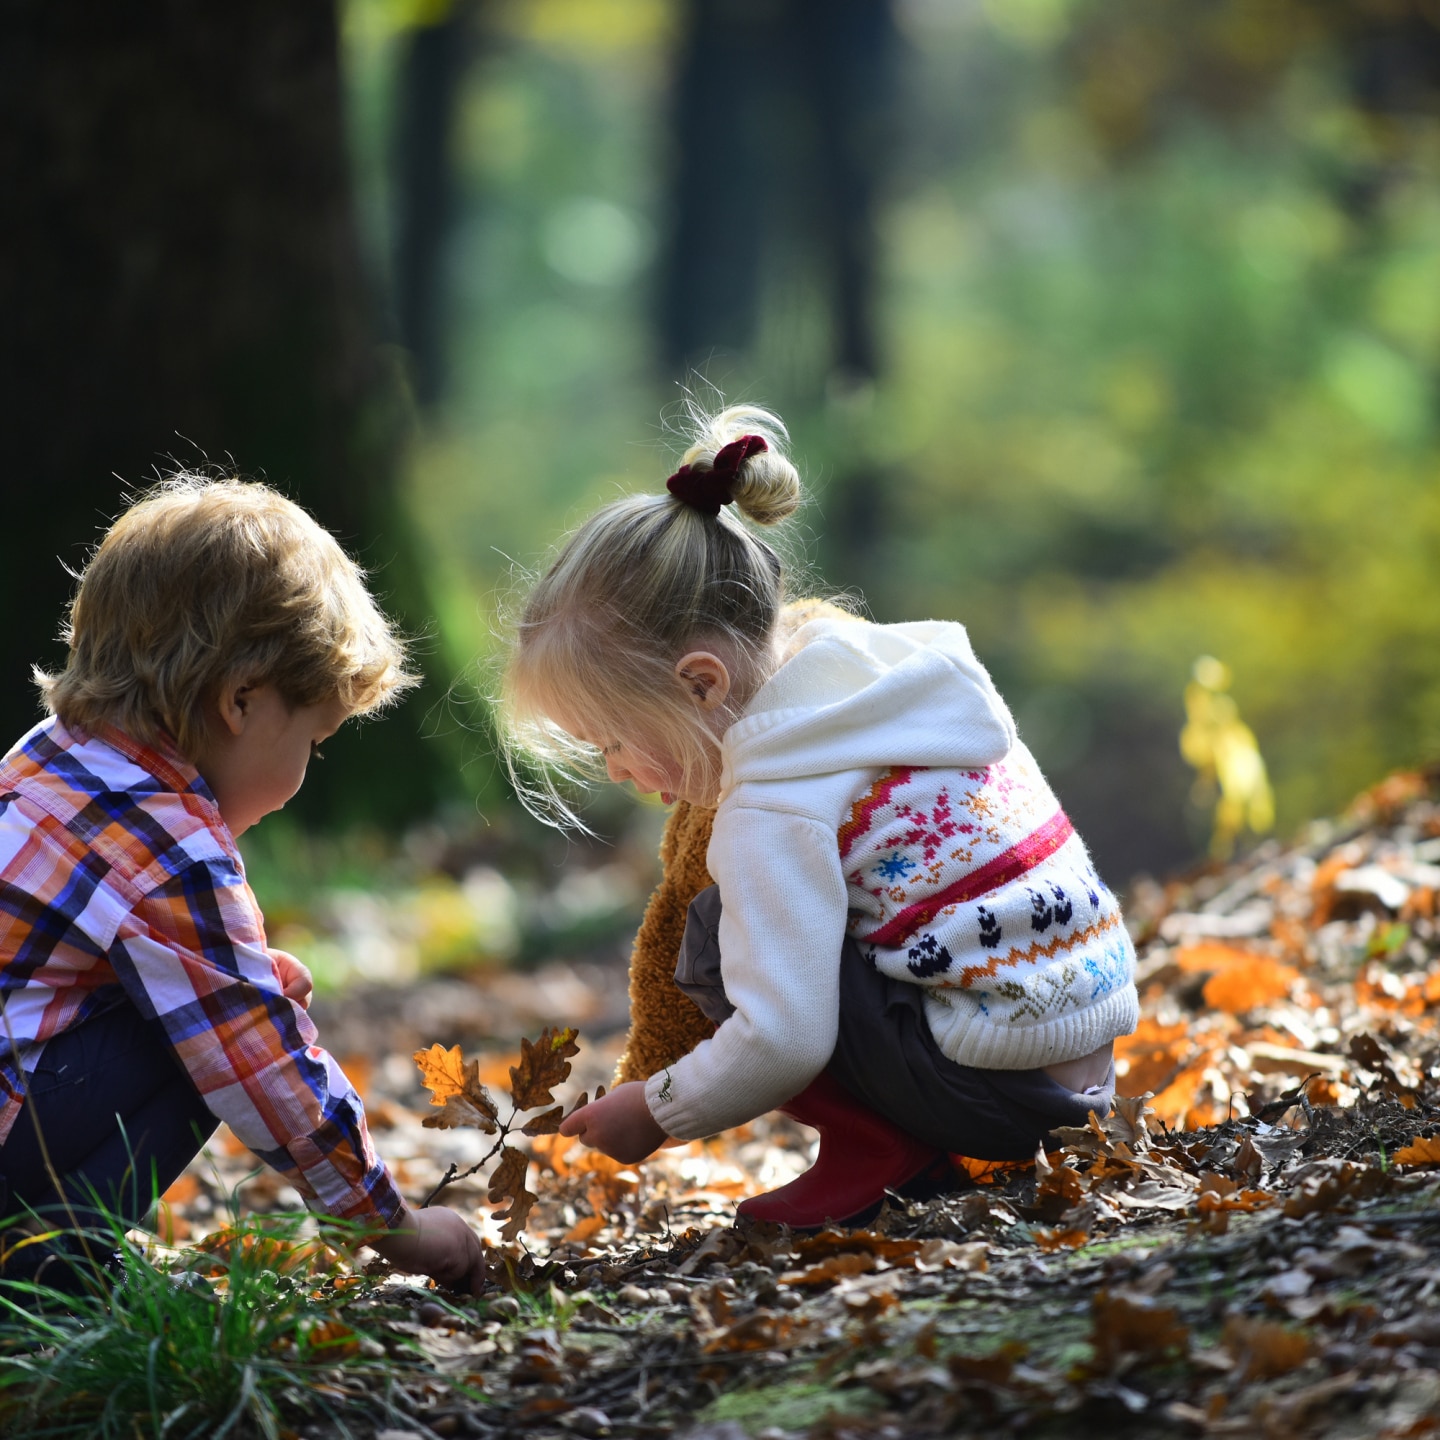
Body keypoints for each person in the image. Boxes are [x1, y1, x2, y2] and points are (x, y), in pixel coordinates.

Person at [500, 405, 1140, 1227]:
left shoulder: (774, 806)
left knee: (711, 933)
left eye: (614, 741)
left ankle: (883, 1153)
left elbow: (785, 1039)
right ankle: (912, 1135)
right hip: (1080, 1069)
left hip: (994, 1092)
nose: (618, 770)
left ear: (701, 685)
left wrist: (655, 1108)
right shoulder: (889, 682)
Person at [0, 476, 484, 1293]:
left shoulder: (48, 755)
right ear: (242, 701)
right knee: (229, 1018)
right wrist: (394, 1230)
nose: (307, 768)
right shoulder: (167, 844)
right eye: (314, 739)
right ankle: (52, 1263)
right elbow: (264, 1060)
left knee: (216, 999)